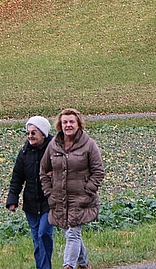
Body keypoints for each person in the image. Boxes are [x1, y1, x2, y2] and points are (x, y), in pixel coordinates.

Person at [40, 108, 105, 269]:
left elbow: (98, 171)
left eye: (71, 122)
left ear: (78, 124)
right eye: (65, 122)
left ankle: (68, 266)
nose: (68, 125)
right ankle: (83, 264)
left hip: (81, 199)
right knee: (71, 232)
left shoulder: (89, 145)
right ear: (60, 125)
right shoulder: (53, 145)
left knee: (72, 233)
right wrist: (49, 192)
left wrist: (87, 190)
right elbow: (43, 170)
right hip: (59, 199)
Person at [6, 115, 55, 269]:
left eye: (34, 132)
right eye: (28, 133)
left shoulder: (54, 150)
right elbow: (17, 178)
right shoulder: (24, 153)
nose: (30, 136)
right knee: (36, 238)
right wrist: (12, 199)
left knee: (43, 234)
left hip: (50, 202)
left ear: (43, 133)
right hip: (31, 203)